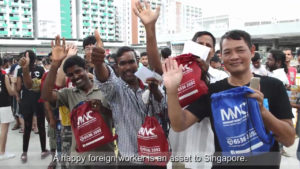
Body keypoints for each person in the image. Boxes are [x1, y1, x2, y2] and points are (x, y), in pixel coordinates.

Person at [163, 30, 295, 169]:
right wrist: (172, 90)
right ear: (221, 56)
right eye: (227, 52)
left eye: (240, 50)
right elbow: (179, 124)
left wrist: (262, 111)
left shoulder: (273, 85)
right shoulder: (213, 92)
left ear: (252, 50)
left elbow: (289, 139)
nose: (234, 57)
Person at [92, 27, 165, 168]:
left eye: (131, 62)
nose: (127, 67)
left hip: (156, 156)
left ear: (137, 62)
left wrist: (155, 91)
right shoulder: (115, 88)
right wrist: (99, 63)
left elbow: (162, 109)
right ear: (117, 67)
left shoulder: (149, 80)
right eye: (122, 64)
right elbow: (104, 79)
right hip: (129, 159)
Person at [41, 35, 116, 169]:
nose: (75, 77)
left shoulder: (104, 89)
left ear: (86, 70)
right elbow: (46, 95)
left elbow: (118, 117)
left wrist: (102, 110)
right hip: (79, 160)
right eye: (71, 75)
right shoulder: (69, 94)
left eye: (78, 71)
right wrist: (54, 64)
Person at [17, 50, 49, 163]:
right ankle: (44, 150)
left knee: (27, 127)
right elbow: (44, 84)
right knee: (41, 126)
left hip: (26, 100)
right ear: (35, 59)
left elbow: (18, 87)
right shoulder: (40, 69)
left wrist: (18, 97)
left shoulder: (21, 70)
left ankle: (24, 153)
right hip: (39, 100)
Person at [0, 57, 16, 161]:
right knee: (4, 129)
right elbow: (11, 92)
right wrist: (13, 82)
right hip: (4, 104)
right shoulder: (4, 76)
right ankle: (2, 152)